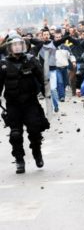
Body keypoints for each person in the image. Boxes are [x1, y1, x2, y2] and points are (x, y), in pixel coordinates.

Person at [0, 35, 49, 174]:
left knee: (34, 130)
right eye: (14, 45)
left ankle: (37, 153)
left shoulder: (31, 60)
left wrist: (46, 94)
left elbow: (42, 78)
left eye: (19, 44)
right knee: (15, 134)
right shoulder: (3, 64)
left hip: (30, 103)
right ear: (9, 47)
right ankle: (19, 160)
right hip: (13, 104)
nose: (17, 47)